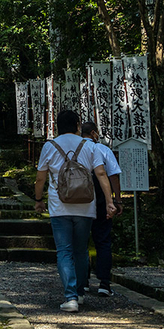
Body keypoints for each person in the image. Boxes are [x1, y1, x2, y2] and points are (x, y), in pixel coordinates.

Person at [34, 110, 118, 312]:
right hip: (86, 205)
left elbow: (40, 178)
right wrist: (110, 201)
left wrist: (38, 200)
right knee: (81, 250)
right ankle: (79, 293)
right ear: (78, 125)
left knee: (64, 251)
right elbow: (101, 174)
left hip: (59, 205)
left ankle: (70, 297)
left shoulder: (50, 146)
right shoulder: (89, 145)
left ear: (57, 126)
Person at [82, 120, 122, 297]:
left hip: (80, 198)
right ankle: (104, 283)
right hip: (101, 197)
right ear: (93, 133)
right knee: (103, 240)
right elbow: (112, 175)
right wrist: (116, 199)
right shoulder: (103, 150)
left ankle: (82, 282)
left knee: (81, 241)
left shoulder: (77, 149)